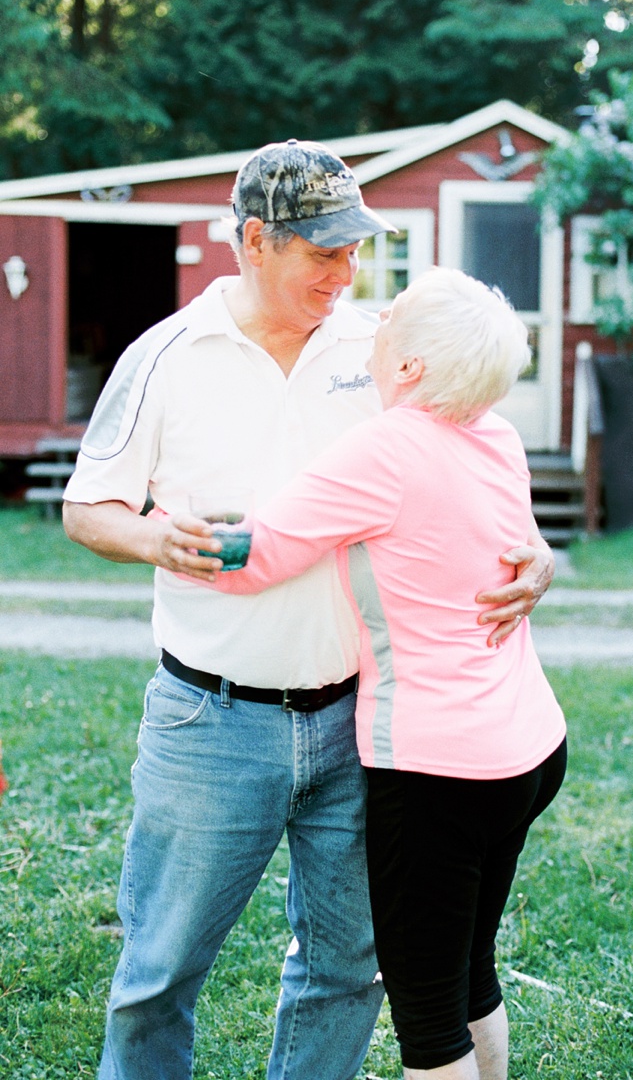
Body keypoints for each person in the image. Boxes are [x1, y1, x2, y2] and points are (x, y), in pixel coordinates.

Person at [62, 140, 556, 1080]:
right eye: (323, 251)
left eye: (354, 249)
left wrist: (534, 559)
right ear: (254, 240)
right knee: (158, 973)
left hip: (357, 722)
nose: (347, 271)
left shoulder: (384, 354)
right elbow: (87, 507)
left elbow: (477, 469)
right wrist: (152, 538)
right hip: (212, 719)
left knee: (346, 970)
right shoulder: (164, 356)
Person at [174, 266, 567, 1080]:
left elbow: (260, 554)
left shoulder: (385, 448)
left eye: (395, 314)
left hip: (438, 770)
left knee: (425, 1014)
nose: (376, 316)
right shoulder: (495, 433)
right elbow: (521, 548)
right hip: (527, 747)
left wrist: (171, 538)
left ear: (412, 365)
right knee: (468, 972)